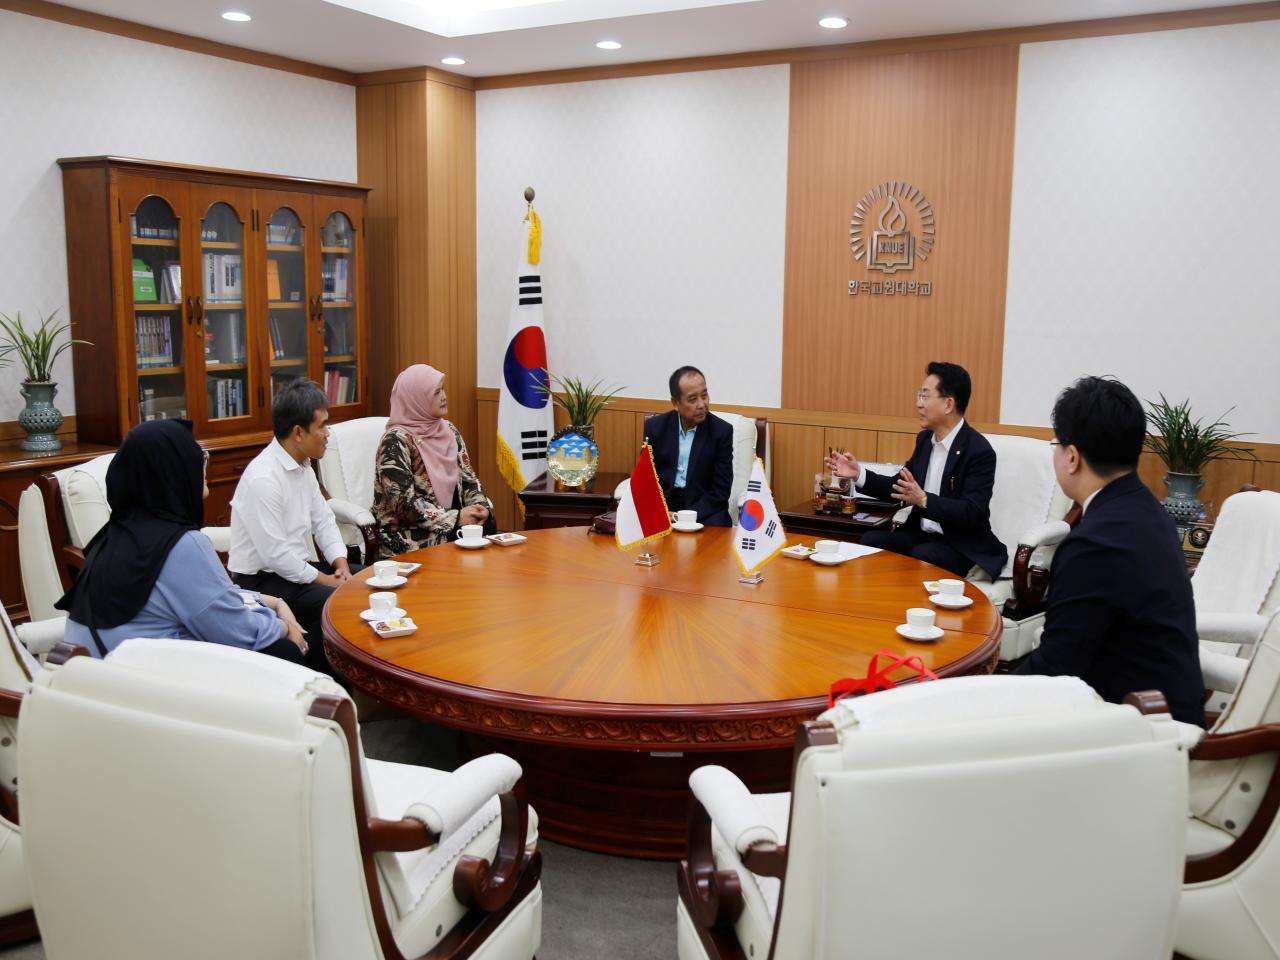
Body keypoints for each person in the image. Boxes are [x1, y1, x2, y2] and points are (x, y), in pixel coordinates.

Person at [1016, 376, 1204, 727]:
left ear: (1072, 457)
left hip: (1141, 733)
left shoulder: (1092, 545)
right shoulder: (1148, 510)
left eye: (1056, 444)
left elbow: (1055, 673)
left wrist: (981, 693)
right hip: (1176, 710)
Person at [58, 419, 308, 662]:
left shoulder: (116, 535)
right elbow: (236, 630)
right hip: (144, 690)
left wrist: (271, 601)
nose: (203, 467)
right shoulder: (180, 544)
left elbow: (211, 599)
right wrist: (284, 628)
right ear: (172, 473)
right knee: (283, 650)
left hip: (91, 682)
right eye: (197, 458)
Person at [825, 361, 1006, 578]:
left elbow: (972, 512)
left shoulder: (978, 451)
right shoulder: (924, 441)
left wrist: (924, 500)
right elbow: (900, 487)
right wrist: (858, 474)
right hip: (920, 535)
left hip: (959, 543)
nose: (918, 404)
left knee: (924, 555)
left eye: (924, 396)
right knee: (870, 541)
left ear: (948, 404)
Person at [228, 378, 355, 667]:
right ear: (298, 432)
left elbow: (323, 521)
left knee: (369, 580)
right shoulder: (264, 477)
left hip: (299, 572)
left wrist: (341, 566)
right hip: (264, 580)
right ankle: (327, 685)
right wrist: (328, 581)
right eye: (322, 425)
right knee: (341, 603)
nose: (328, 434)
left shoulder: (303, 465)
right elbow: (277, 555)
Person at [373, 364, 494, 554]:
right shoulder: (395, 442)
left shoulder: (448, 430)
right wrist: (456, 519)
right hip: (410, 535)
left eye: (442, 389)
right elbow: (405, 505)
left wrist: (480, 509)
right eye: (436, 393)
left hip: (452, 526)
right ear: (416, 399)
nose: (444, 396)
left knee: (488, 527)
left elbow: (469, 479)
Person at [646, 365, 735, 527]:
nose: (702, 404)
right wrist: (661, 511)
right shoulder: (656, 428)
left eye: (704, 395)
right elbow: (647, 479)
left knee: (716, 531)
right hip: (666, 506)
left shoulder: (721, 432)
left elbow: (720, 491)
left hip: (704, 509)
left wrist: (684, 517)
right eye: (693, 399)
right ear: (675, 403)